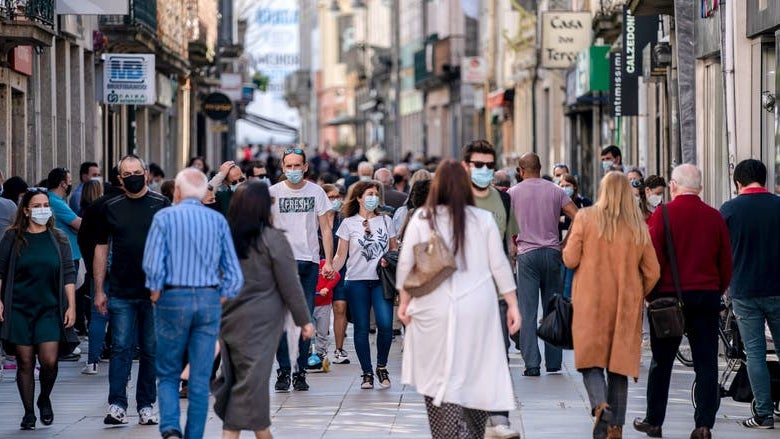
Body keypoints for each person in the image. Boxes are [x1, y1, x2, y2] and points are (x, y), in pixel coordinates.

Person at [396, 160, 521, 439]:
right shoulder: (482, 219)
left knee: (437, 375)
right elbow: (499, 264)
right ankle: (473, 432)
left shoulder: (422, 218)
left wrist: (404, 303)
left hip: (432, 308)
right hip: (478, 306)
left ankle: (449, 433)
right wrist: (512, 304)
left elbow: (406, 265)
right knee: (476, 372)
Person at [142, 168, 244, 439]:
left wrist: (155, 294)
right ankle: (194, 435)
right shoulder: (217, 222)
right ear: (202, 194)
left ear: (176, 191)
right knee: (200, 378)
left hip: (173, 297)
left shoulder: (164, 218)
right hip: (209, 297)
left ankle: (170, 427)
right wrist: (220, 296)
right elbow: (233, 272)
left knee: (168, 370)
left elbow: (152, 264)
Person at [634, 164, 732, 439]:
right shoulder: (714, 217)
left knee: (661, 362)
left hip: (668, 300)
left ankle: (654, 421)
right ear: (699, 188)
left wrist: (650, 295)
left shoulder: (663, 215)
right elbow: (726, 262)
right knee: (707, 363)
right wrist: (716, 289)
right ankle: (703, 425)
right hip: (706, 298)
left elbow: (651, 259)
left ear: (674, 186)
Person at [562, 172, 660, 439]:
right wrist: (638, 292)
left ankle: (600, 406)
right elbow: (653, 271)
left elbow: (570, 259)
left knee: (589, 362)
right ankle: (615, 426)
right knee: (618, 367)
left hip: (590, 303)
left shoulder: (585, 217)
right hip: (625, 306)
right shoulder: (638, 226)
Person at [218, 180, 314, 439]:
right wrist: (304, 320)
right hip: (263, 322)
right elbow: (290, 283)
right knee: (250, 382)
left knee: (244, 380)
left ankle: (252, 431)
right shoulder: (273, 239)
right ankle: (254, 432)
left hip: (229, 320)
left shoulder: (224, 238)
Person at [94, 155, 171, 426]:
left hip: (154, 293)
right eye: (128, 173)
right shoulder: (111, 206)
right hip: (120, 290)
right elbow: (101, 249)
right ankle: (117, 404)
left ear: (146, 173)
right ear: (120, 178)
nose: (134, 176)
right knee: (121, 348)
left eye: (137, 171)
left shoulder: (162, 204)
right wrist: (99, 289)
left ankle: (146, 405)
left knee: (151, 350)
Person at [0, 188, 77, 430]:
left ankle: (44, 398)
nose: (43, 209)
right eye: (37, 205)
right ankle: (29, 412)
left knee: (49, 361)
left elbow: (68, 275)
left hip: (50, 309)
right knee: (24, 361)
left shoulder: (58, 238)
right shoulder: (12, 238)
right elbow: (1, 272)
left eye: (46, 205)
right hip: (20, 308)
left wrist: (71, 306)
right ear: (26, 210)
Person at [461, 140, 520, 439]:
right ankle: (472, 422)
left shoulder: (504, 200)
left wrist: (513, 301)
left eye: (489, 165)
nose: (484, 170)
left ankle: (499, 419)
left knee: (499, 355)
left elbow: (509, 249)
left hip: (495, 293)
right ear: (466, 167)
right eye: (478, 165)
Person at [720, 159, 780, 430]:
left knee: (754, 352)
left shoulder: (730, 210)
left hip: (744, 289)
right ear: (765, 179)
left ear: (737, 182)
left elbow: (719, 252)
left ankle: (764, 413)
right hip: (778, 288)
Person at [269, 147, 334, 392]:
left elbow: (325, 229)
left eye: (298, 166)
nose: (294, 170)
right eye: (289, 166)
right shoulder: (272, 193)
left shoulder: (316, 192)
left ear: (306, 167)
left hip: (308, 262)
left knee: (304, 319)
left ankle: (300, 371)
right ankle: (284, 370)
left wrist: (327, 261)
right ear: (283, 167)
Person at [509, 152, 578, 376]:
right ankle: (554, 361)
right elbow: (578, 216)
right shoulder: (556, 190)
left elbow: (506, 226)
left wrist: (513, 247)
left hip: (527, 255)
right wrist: (564, 243)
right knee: (553, 308)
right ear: (540, 168)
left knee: (527, 312)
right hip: (551, 252)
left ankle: (532, 364)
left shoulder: (512, 194)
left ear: (521, 171)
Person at [332, 180, 398, 389]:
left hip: (381, 281)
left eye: (376, 194)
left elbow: (394, 249)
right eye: (369, 194)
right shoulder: (348, 223)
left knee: (385, 325)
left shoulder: (386, 221)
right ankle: (366, 372)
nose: (373, 198)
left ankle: (381, 366)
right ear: (359, 197)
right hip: (356, 281)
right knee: (360, 328)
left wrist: (389, 258)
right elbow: (341, 254)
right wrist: (331, 268)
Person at [47, 167, 84, 340]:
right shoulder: (56, 202)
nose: (70, 184)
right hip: (67, 256)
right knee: (67, 299)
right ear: (63, 183)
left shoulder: (57, 201)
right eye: (69, 181)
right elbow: (79, 224)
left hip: (70, 254)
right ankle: (65, 338)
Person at [76, 180, 105, 375]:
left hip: (96, 269)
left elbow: (83, 238)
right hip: (119, 270)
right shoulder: (113, 207)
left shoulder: (90, 212)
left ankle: (93, 361)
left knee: (98, 315)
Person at [320, 184, 350, 365]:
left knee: (340, 307)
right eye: (331, 197)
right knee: (319, 312)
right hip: (318, 271)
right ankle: (318, 349)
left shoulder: (344, 219)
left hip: (341, 269)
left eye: (337, 196)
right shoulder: (315, 219)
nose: (335, 200)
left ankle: (339, 349)